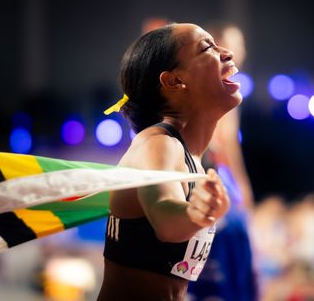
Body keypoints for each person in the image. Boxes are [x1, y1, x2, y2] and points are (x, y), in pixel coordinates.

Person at [97, 23, 241, 301]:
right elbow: (164, 217)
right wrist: (197, 214)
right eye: (208, 47)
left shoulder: (193, 160)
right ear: (174, 81)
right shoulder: (157, 143)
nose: (228, 53)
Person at [187, 22, 258, 301]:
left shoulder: (225, 89)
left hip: (212, 175)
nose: (239, 51)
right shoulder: (216, 90)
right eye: (233, 44)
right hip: (208, 175)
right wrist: (242, 186)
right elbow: (226, 148)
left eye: (241, 45)